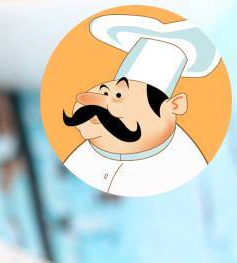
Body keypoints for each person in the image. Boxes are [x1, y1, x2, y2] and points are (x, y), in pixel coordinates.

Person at [61, 13, 221, 197]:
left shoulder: (177, 165)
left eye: (120, 97)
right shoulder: (84, 148)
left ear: (174, 106)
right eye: (105, 91)